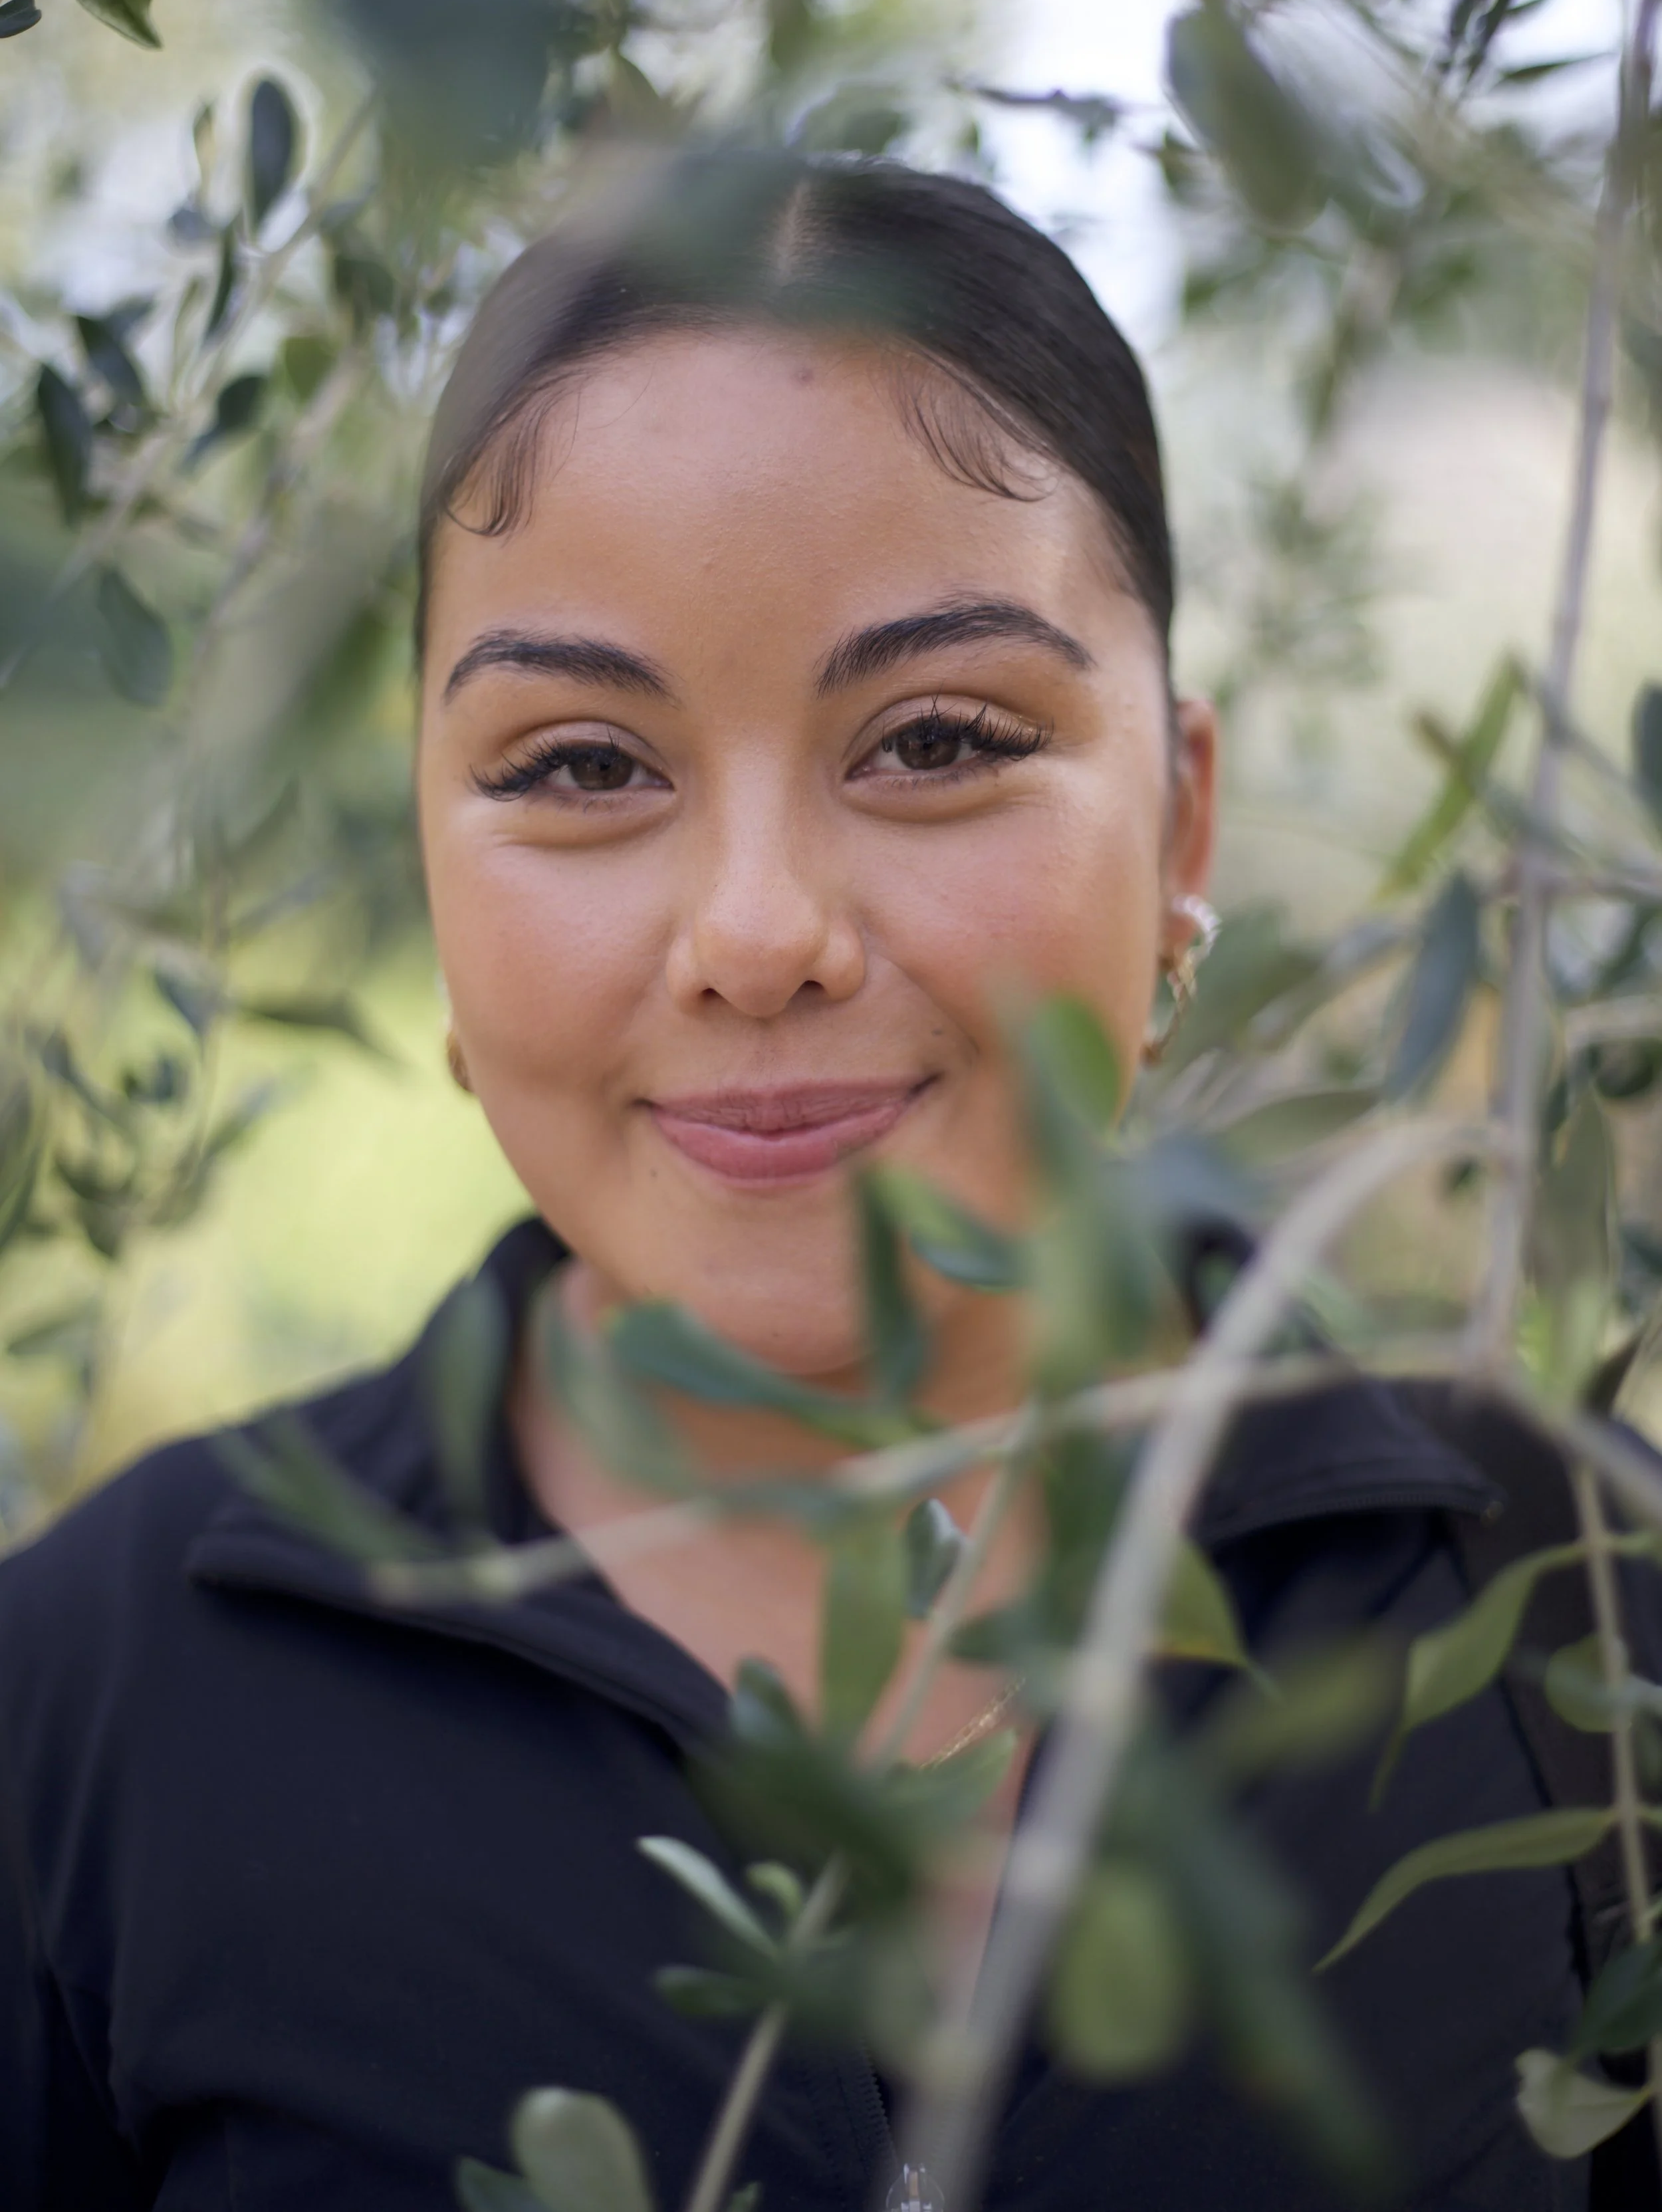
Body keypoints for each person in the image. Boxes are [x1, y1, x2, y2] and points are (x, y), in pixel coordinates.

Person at [0, 152, 1642, 2212]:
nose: (757, 929)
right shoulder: (96, 1699)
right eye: (583, 765)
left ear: (1182, 824)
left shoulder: (1558, 1628)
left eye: (936, 737)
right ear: (433, 857)